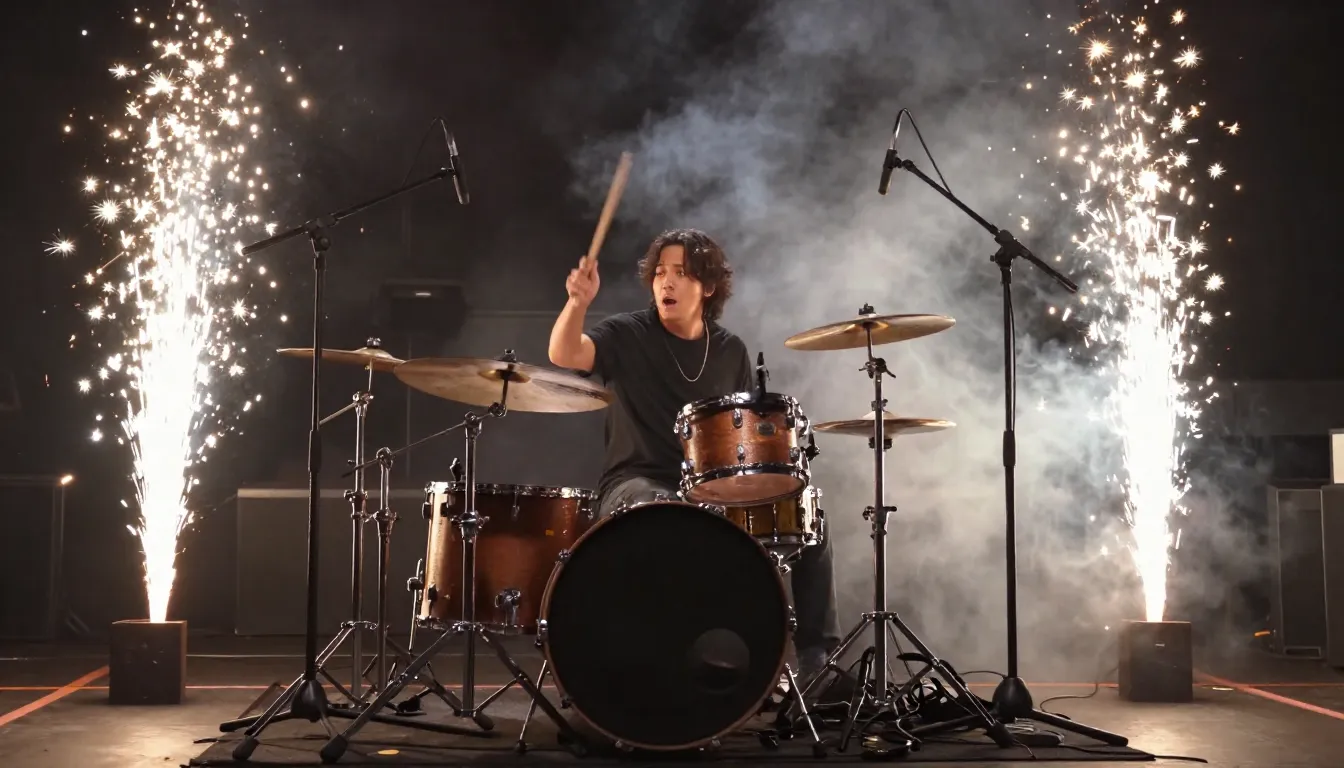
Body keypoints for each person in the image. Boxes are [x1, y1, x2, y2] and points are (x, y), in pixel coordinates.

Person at [547, 228, 840, 685]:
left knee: (808, 515)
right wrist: (577, 302)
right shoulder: (626, 333)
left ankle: (818, 663)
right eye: (660, 273)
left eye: (681, 273)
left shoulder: (729, 350)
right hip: (634, 483)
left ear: (708, 286)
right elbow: (565, 353)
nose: (666, 282)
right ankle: (657, 662)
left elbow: (744, 439)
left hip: (712, 491)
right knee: (663, 511)